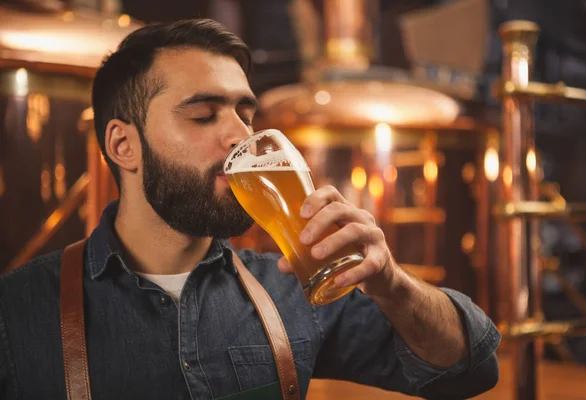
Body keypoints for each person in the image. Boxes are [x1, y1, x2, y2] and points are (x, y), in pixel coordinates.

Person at [0, 19, 500, 400]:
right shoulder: (18, 310)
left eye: (246, 113)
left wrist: (390, 280)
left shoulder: (291, 287)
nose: (242, 136)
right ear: (123, 145)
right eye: (202, 115)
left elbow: (469, 366)